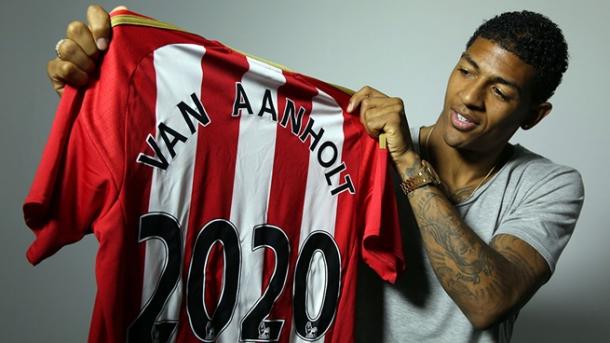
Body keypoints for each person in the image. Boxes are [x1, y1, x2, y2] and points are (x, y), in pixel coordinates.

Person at [47, 5, 584, 343]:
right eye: (467, 69)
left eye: (501, 90)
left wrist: (407, 163)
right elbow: (234, 148)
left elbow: (488, 301)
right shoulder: (359, 150)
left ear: (533, 115)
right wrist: (108, 92)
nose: (469, 96)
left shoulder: (549, 185)